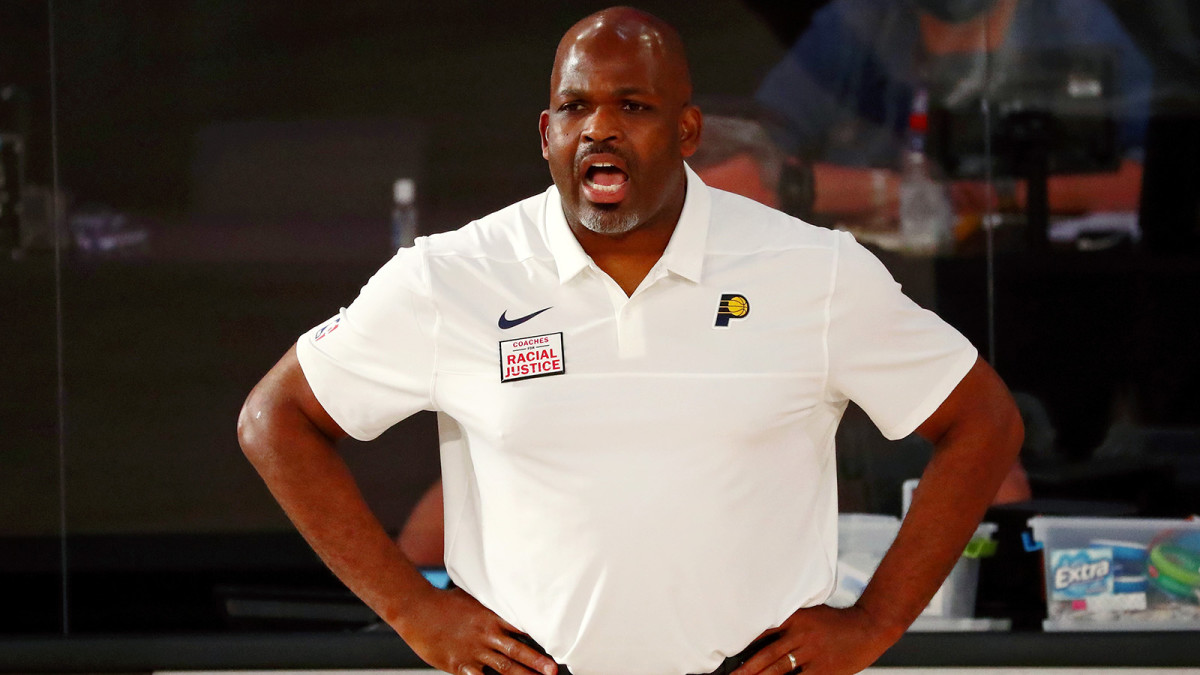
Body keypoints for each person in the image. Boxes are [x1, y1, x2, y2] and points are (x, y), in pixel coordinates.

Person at [237, 7, 1023, 675]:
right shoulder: (455, 277)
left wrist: (874, 624)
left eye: (633, 107)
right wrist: (416, 611)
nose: (600, 129)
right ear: (546, 133)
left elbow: (983, 422)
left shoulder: (811, 272)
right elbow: (276, 419)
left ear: (687, 130)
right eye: (575, 107)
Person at [755, 0, 1152, 230]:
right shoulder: (860, 21)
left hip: (1032, 282)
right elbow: (738, 166)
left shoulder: (1074, 20)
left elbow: (1152, 181)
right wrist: (895, 191)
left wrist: (1001, 195)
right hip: (881, 279)